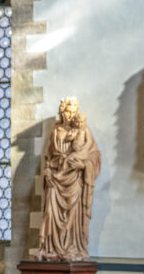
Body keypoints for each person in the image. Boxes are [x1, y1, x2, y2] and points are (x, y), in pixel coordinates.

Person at [35, 97, 101, 262]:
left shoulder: (83, 130)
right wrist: (48, 172)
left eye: (73, 112)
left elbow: (93, 155)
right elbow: (49, 157)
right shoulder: (56, 132)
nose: (70, 116)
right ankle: (50, 248)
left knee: (73, 215)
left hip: (75, 179)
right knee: (50, 212)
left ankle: (73, 247)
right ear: (61, 112)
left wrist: (84, 165)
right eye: (67, 112)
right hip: (55, 180)